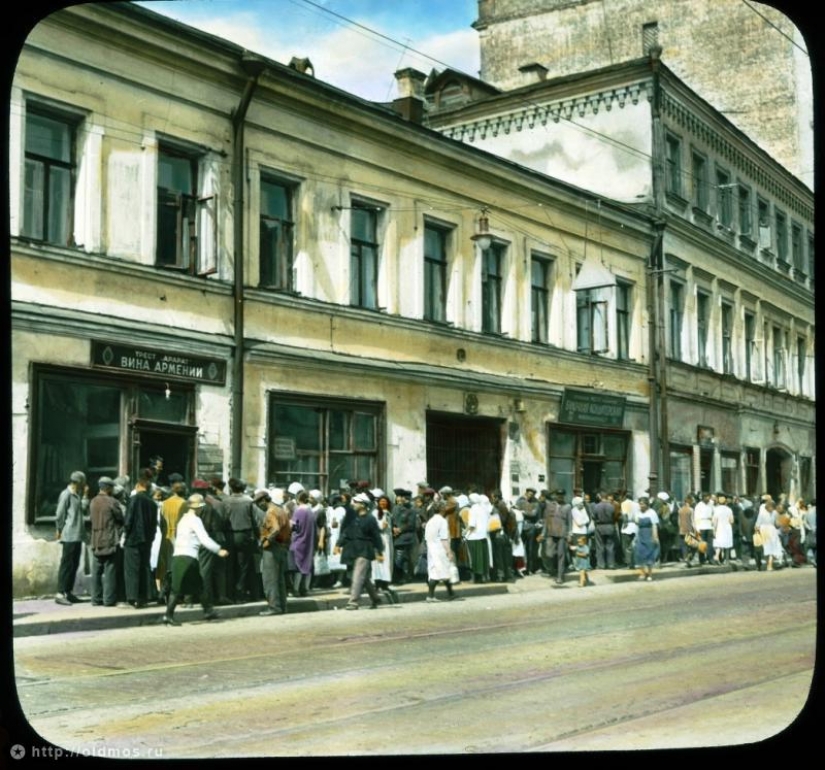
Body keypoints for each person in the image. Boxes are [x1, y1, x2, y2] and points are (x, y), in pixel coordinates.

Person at [160, 494, 229, 625]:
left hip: (178, 556)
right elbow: (204, 538)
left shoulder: (183, 520)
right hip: (189, 557)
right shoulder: (195, 520)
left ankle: (207, 611)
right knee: (181, 588)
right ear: (199, 508)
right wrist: (218, 550)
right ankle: (169, 615)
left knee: (195, 586)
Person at [335, 493, 385, 610]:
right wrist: (338, 544)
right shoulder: (353, 518)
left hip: (365, 550)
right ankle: (375, 598)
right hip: (353, 550)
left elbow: (376, 536)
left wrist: (379, 551)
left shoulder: (370, 519)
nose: (354, 504)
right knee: (363, 577)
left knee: (357, 576)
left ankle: (353, 602)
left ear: (363, 505)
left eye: (356, 502)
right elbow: (346, 533)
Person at [122, 468, 159, 608]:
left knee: (132, 569)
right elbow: (154, 524)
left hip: (133, 539)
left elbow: (129, 520)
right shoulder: (152, 503)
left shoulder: (134, 500)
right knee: (144, 567)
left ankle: (133, 598)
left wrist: (124, 535)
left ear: (138, 484)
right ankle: (144, 597)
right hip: (147, 540)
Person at [54, 470, 90, 605]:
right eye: (83, 482)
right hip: (69, 534)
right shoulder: (66, 494)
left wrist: (85, 495)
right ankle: (60, 593)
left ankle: (68, 592)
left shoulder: (77, 495)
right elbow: (60, 514)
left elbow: (83, 509)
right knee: (67, 564)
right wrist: (59, 529)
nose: (84, 485)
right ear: (79, 482)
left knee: (74, 564)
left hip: (77, 534)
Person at [89, 476, 124, 607]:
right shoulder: (112, 502)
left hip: (95, 539)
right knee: (110, 570)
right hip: (109, 538)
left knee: (96, 571)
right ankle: (109, 599)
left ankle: (95, 598)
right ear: (108, 488)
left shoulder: (93, 501)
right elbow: (120, 518)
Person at [221, 478, 258, 602]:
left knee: (230, 565)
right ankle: (240, 594)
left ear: (231, 488)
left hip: (229, 535)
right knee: (243, 566)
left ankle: (229, 593)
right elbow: (254, 520)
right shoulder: (248, 501)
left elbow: (223, 519)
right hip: (244, 535)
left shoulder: (225, 501)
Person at [255, 489, 291, 616]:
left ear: (264, 501)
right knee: (279, 579)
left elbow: (275, 529)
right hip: (282, 547)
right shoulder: (280, 510)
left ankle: (274, 607)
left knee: (270, 580)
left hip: (272, 548)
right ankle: (282, 606)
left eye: (258, 503)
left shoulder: (270, 512)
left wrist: (266, 540)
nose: (258, 506)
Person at [424, 503, 459, 602]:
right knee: (439, 572)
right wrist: (449, 551)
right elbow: (444, 538)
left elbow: (426, 537)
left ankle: (451, 593)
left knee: (440, 571)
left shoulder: (430, 521)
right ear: (442, 510)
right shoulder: (442, 521)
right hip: (440, 549)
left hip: (431, 549)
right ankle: (430, 596)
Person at [538, 489, 570, 585]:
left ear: (564, 496)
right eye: (558, 495)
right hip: (550, 533)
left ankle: (560, 576)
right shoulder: (549, 506)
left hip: (562, 533)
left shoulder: (567, 506)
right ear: (555, 495)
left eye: (562, 495)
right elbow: (546, 520)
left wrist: (570, 534)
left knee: (561, 555)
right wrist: (543, 533)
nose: (560, 497)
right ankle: (551, 570)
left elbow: (570, 521)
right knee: (548, 554)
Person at [289, 490, 316, 597]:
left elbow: (294, 527)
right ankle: (305, 588)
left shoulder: (299, 511)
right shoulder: (310, 511)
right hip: (309, 542)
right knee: (307, 565)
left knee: (298, 567)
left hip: (298, 541)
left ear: (298, 499)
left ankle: (295, 589)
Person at [391, 488, 417, 585]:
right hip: (396, 536)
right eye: (403, 498)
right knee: (399, 558)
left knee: (401, 558)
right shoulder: (395, 508)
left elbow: (411, 525)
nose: (405, 500)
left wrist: (400, 530)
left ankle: (400, 578)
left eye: (407, 498)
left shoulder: (411, 510)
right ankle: (400, 577)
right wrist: (393, 528)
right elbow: (393, 520)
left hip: (406, 537)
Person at [465, 493, 492, 584]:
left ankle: (475, 579)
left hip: (474, 537)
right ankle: (483, 577)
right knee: (482, 558)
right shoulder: (484, 509)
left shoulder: (472, 509)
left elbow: (472, 525)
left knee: (474, 559)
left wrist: (465, 533)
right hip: (483, 536)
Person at [515, 487, 541, 574]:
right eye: (529, 494)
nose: (531, 496)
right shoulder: (520, 501)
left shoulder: (536, 503)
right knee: (519, 549)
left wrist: (523, 512)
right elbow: (515, 510)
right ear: (526, 493)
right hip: (521, 527)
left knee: (530, 549)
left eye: (532, 495)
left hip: (531, 527)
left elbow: (534, 514)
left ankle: (530, 568)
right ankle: (520, 568)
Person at [633, 496, 659, 581]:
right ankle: (642, 573)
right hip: (640, 534)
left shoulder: (652, 512)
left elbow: (654, 525)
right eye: (640, 504)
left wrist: (655, 537)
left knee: (649, 554)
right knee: (639, 554)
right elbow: (636, 525)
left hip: (649, 534)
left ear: (647, 504)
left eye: (643, 504)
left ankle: (650, 573)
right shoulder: (637, 513)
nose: (641, 505)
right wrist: (636, 536)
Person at [591, 491, 617, 570]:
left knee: (600, 546)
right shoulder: (611, 506)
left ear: (600, 497)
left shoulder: (596, 506)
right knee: (610, 546)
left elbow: (593, 517)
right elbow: (614, 516)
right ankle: (611, 564)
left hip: (600, 526)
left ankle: (601, 564)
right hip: (610, 525)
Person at [755, 500, 782, 571]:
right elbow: (777, 524)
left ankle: (769, 564)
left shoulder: (763, 513)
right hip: (769, 531)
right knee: (770, 548)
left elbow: (757, 525)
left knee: (769, 548)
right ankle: (769, 565)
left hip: (766, 531)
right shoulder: (774, 513)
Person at [692, 492, 715, 564]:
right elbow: (696, 517)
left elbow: (714, 514)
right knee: (702, 543)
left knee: (710, 544)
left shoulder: (711, 505)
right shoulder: (699, 506)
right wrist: (697, 528)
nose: (707, 498)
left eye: (708, 497)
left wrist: (713, 525)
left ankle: (710, 558)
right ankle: (702, 559)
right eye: (706, 497)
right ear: (703, 498)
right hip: (701, 526)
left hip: (709, 526)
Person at [711, 493, 734, 564]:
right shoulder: (729, 510)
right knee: (727, 544)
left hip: (719, 528)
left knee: (719, 543)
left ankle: (717, 556)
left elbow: (714, 521)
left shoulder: (716, 509)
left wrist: (714, 530)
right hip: (727, 528)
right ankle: (726, 560)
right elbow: (731, 521)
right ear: (725, 502)